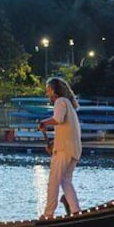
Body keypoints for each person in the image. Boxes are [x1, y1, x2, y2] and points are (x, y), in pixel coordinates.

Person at [37, 77, 82, 219]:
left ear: (55, 90)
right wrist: (53, 145)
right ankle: (75, 210)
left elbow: (58, 119)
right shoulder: (69, 104)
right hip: (73, 149)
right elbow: (65, 129)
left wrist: (44, 122)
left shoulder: (60, 101)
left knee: (54, 181)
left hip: (64, 149)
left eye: (49, 90)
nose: (47, 93)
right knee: (65, 180)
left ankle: (48, 214)